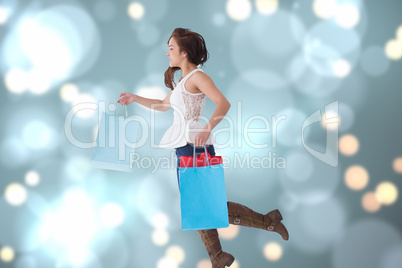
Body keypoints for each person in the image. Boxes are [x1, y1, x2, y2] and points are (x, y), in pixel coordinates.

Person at [118, 27, 289, 268]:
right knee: (199, 207)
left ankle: (246, 237)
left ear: (184, 53)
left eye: (171, 48)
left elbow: (223, 103)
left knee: (202, 207)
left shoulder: (198, 77)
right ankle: (228, 249)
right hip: (183, 148)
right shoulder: (182, 82)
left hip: (194, 146)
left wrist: (207, 128)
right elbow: (161, 105)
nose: (167, 54)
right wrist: (134, 98)